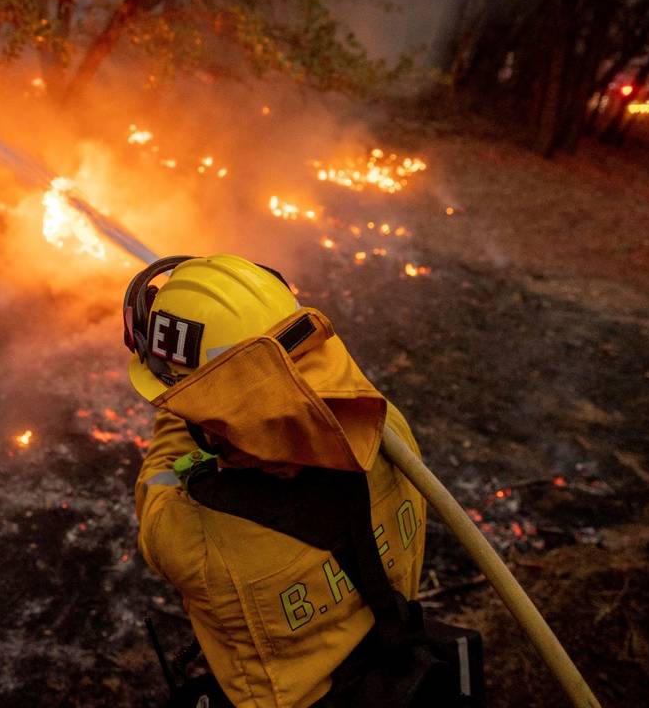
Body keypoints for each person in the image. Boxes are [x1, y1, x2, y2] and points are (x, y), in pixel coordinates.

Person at [126, 254, 442, 708]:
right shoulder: (390, 430)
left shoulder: (191, 538)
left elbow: (159, 476)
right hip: (398, 668)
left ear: (205, 415)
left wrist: (180, 397)